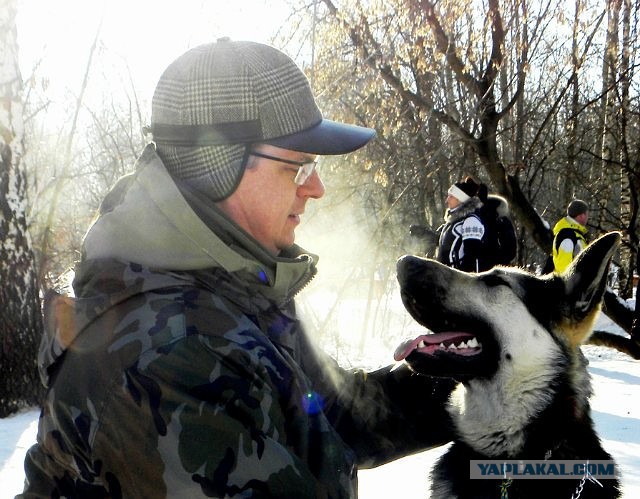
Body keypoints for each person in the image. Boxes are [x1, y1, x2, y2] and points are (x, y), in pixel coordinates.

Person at [19, 39, 455, 498]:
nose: (318, 189)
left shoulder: (241, 287)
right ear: (219, 165)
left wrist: (492, 377)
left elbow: (333, 416)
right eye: (300, 167)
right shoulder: (171, 357)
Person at [436, 176, 495, 272]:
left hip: (459, 282)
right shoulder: (453, 221)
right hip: (446, 278)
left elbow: (472, 258)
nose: (447, 200)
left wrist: (460, 281)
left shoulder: (471, 221)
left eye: (451, 197)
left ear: (460, 199)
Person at [551, 199, 589, 273]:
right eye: (587, 215)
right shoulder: (568, 237)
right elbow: (564, 269)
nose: (588, 218)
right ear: (581, 215)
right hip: (570, 283)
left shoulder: (574, 234)